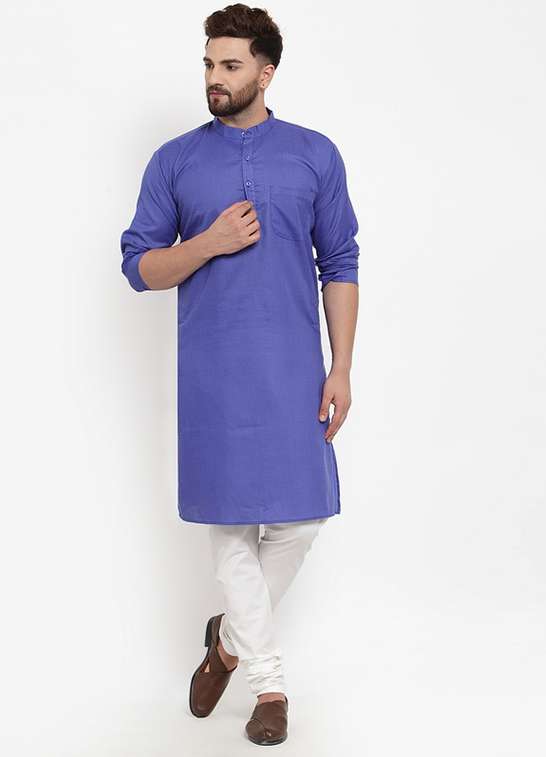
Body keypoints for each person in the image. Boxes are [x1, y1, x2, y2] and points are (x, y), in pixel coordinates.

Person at [120, 3, 360, 746]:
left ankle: (225, 642)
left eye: (229, 65)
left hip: (293, 369)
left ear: (266, 71)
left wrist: (342, 367)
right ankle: (270, 687)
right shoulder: (175, 161)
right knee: (229, 525)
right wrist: (210, 242)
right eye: (208, 64)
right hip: (213, 373)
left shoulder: (314, 154)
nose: (214, 78)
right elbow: (139, 267)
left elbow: (340, 262)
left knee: (302, 519)